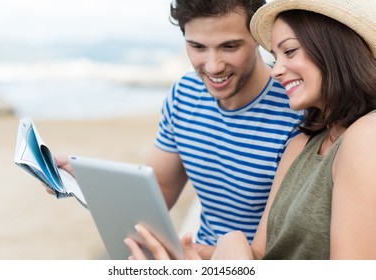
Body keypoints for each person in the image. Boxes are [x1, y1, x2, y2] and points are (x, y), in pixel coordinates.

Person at [125, 0, 376, 259]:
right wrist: (196, 256)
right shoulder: (303, 140)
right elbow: (261, 254)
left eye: (289, 51)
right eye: (276, 55)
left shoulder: (357, 132)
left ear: (334, 48)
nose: (277, 71)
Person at [52, 0, 302, 259]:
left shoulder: (296, 109)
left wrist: (187, 258)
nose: (213, 66)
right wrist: (87, 183)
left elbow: (277, 249)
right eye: (197, 47)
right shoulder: (184, 94)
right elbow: (157, 193)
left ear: (260, 39)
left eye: (229, 46)